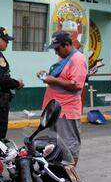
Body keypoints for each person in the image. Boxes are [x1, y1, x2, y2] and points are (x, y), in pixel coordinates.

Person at [37, 30, 87, 166]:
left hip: (67, 109)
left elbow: (76, 85)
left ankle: (71, 174)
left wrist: (53, 80)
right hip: (55, 108)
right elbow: (60, 78)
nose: (56, 52)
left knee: (69, 142)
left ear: (66, 45)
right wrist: (46, 75)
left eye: (57, 49)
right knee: (55, 141)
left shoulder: (77, 59)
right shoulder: (63, 59)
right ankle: (60, 171)